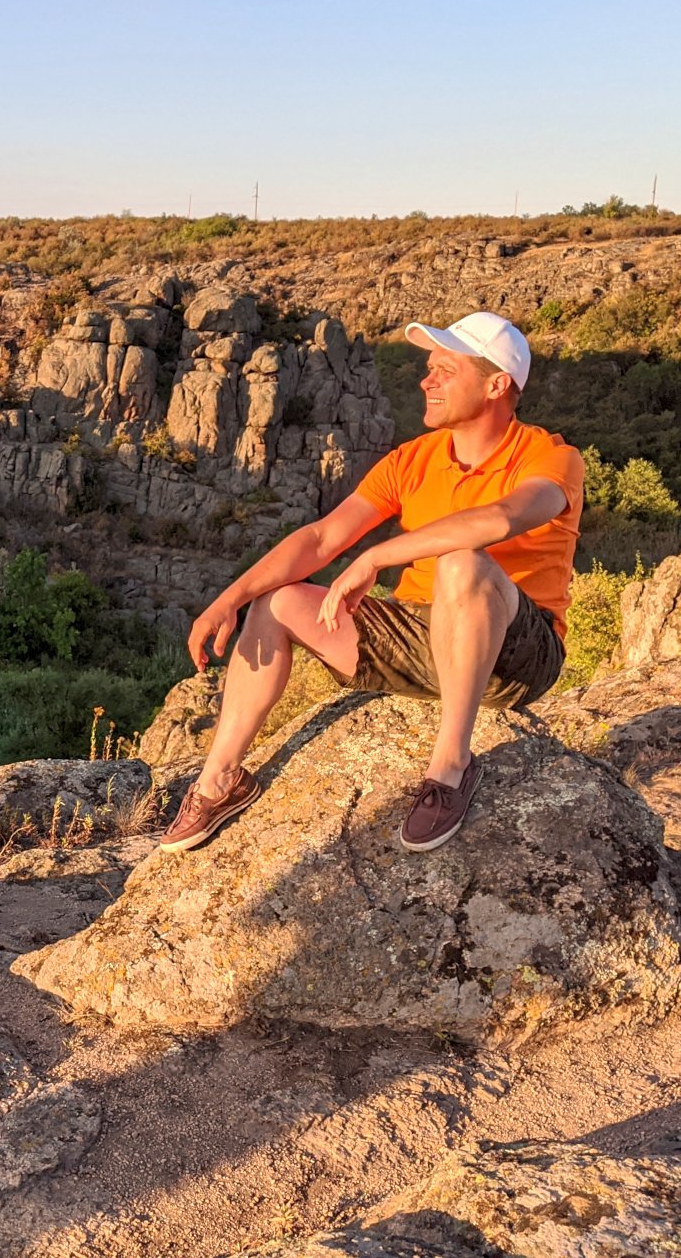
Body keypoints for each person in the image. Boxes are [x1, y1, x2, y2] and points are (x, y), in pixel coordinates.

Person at [161, 311, 584, 855]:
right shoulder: (412, 459)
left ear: (497, 383)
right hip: (422, 637)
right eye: (429, 368)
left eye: (445, 371)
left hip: (516, 653)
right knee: (278, 602)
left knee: (464, 562)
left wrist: (376, 558)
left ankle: (451, 766)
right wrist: (228, 600)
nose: (426, 381)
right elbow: (320, 539)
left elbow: (501, 519)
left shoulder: (552, 458)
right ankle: (219, 781)